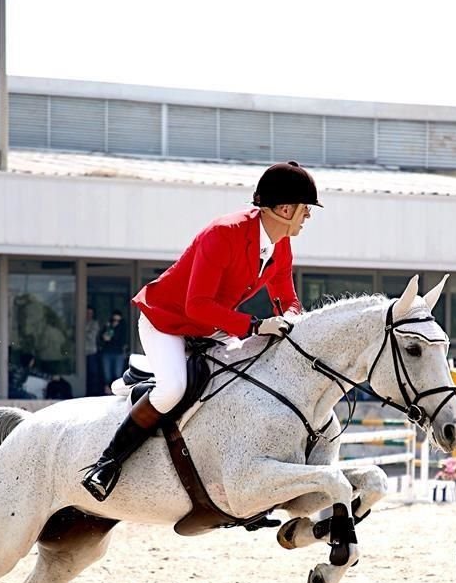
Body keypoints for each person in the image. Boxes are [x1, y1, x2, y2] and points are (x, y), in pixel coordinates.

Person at [81, 160, 322, 501]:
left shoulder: (280, 244)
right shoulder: (224, 233)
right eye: (305, 210)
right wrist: (254, 325)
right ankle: (106, 464)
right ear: (285, 209)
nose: (307, 217)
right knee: (173, 390)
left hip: (211, 327)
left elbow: (286, 296)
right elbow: (196, 305)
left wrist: (294, 321)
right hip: (167, 320)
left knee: (243, 380)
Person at [100, 310, 127, 391]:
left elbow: (123, 340)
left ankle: (116, 391)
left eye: (118, 320)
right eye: (114, 320)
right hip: (107, 352)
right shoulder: (108, 326)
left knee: (117, 374)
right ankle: (107, 390)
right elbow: (102, 338)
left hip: (118, 353)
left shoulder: (123, 327)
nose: (116, 322)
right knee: (107, 374)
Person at [85, 305, 101, 396]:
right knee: (84, 373)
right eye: (87, 313)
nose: (88, 315)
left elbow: (91, 336)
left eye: (90, 313)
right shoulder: (80, 322)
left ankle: (92, 392)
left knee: (93, 373)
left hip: (91, 351)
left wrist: (84, 331)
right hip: (81, 352)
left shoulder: (94, 323)